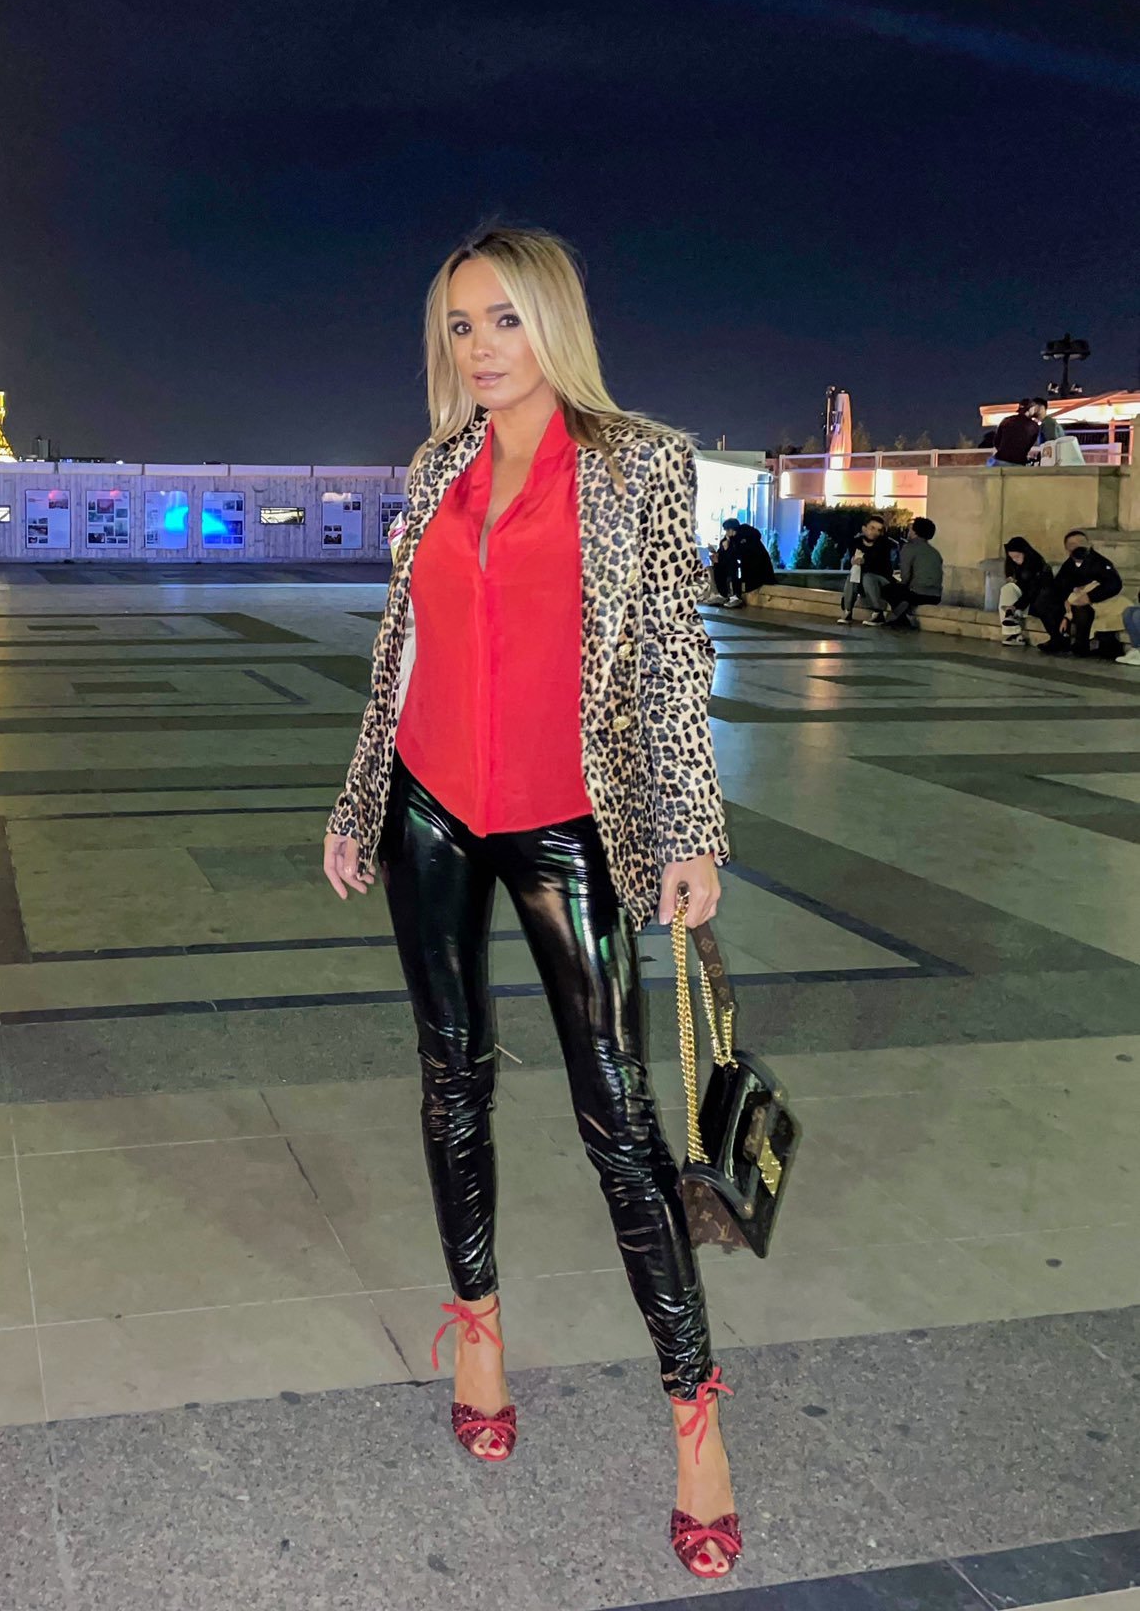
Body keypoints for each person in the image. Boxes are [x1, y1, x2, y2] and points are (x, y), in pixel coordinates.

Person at [323, 227, 740, 1580]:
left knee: (617, 1115)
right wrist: (358, 804)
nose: (480, 347)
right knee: (451, 1078)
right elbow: (401, 651)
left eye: (504, 318)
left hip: (569, 817)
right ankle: (479, 1331)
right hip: (431, 805)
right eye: (459, 325)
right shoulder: (435, 467)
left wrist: (690, 828)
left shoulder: (639, 463)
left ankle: (693, 1413)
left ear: (553, 321)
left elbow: (669, 656)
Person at [1040, 531, 1123, 657]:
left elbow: (1114, 584)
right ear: (1067, 549)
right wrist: (1065, 599)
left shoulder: (1100, 562)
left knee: (1082, 609)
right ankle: (1058, 639)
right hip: (1073, 599)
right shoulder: (1068, 565)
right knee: (1046, 602)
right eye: (1073, 544)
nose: (1078, 546)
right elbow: (1059, 585)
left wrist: (1089, 597)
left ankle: (1081, 645)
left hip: (1098, 602)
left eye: (1081, 543)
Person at [884, 516, 943, 629]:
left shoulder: (909, 548)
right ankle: (903, 610)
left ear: (915, 532)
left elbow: (905, 577)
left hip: (916, 594)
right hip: (935, 596)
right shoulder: (935, 552)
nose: (908, 531)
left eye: (910, 529)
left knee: (887, 589)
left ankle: (901, 617)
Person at [837, 514, 897, 624]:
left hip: (881, 580)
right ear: (864, 529)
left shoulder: (884, 544)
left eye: (879, 530)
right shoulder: (856, 543)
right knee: (853, 577)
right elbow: (850, 564)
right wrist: (853, 561)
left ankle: (878, 613)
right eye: (872, 528)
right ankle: (847, 610)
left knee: (868, 577)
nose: (875, 532)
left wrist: (865, 561)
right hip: (861, 578)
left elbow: (881, 565)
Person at [709, 518, 774, 608]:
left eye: (727, 530)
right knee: (719, 566)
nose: (726, 533)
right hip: (740, 565)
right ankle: (722, 594)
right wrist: (718, 556)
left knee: (735, 565)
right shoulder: (728, 539)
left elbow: (742, 555)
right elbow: (727, 556)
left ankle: (736, 596)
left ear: (732, 529)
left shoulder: (746, 535)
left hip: (754, 567)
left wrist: (728, 549)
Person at [998, 538, 1051, 646]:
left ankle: (1014, 626)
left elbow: (1033, 590)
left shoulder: (1036, 564)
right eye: (1012, 558)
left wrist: (1017, 606)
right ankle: (1014, 632)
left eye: (1017, 557)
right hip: (1023, 599)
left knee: (1010, 593)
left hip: (1037, 600)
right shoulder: (1016, 565)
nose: (1014, 560)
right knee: (1007, 589)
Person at [990, 399, 1041, 467]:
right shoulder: (1034, 426)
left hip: (1000, 460)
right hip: (1018, 463)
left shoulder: (1006, 421)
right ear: (1030, 409)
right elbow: (1029, 445)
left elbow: (996, 442)